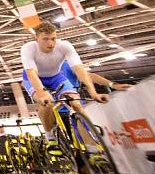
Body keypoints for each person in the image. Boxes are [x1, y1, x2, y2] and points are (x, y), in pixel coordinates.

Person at [20, 21, 108, 159]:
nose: (51, 43)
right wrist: (42, 93)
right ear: (36, 39)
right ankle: (50, 138)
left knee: (76, 104)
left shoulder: (65, 46)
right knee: (46, 102)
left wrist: (93, 92)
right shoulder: (28, 48)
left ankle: (92, 147)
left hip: (56, 77)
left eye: (53, 38)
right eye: (45, 39)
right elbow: (32, 73)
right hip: (34, 78)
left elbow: (80, 70)